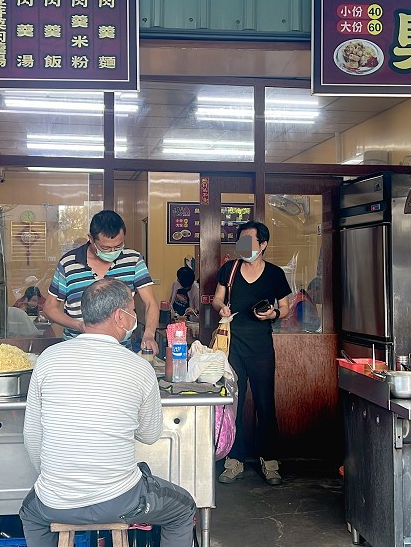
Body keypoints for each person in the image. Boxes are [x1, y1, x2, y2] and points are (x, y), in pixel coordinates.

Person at [19, 278, 197, 547]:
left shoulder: (48, 359)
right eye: (132, 311)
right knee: (183, 508)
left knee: (29, 514)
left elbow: (32, 434)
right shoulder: (139, 368)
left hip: (53, 502)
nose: (134, 317)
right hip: (121, 500)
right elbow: (150, 435)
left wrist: (59, 484)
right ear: (119, 317)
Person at [212, 221, 292, 486]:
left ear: (263, 244)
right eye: (241, 242)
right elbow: (216, 299)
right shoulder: (230, 270)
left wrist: (273, 314)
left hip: (261, 348)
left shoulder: (275, 275)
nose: (244, 247)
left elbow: (286, 308)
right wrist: (222, 308)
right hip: (233, 346)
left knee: (264, 404)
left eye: (249, 242)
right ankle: (234, 460)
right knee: (232, 405)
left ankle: (270, 461)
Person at [44, 210, 159, 353]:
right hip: (77, 350)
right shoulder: (69, 263)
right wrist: (79, 326)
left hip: (120, 351)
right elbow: (49, 307)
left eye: (118, 246)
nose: (112, 251)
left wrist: (149, 334)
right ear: (91, 238)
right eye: (105, 247)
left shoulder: (133, 260)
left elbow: (150, 303)